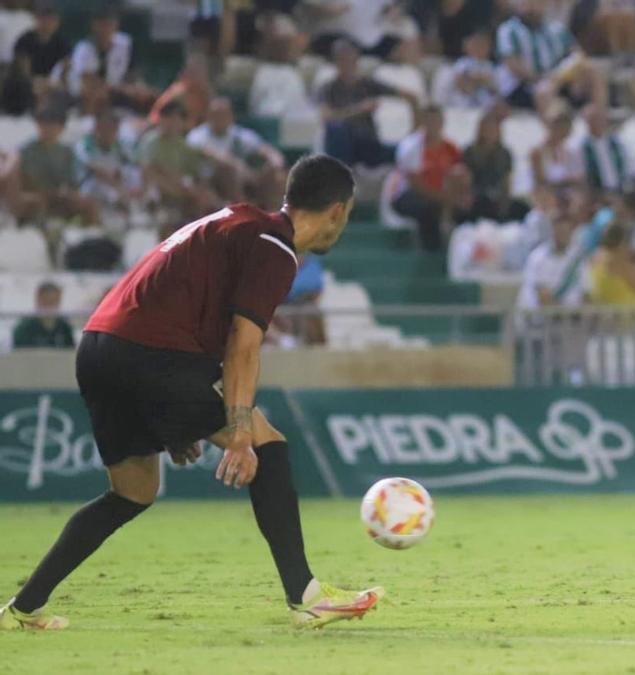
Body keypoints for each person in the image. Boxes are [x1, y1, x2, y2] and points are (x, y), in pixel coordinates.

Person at [0, 155, 384, 632]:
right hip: (152, 351)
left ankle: (22, 606)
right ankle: (306, 595)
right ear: (338, 211)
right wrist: (240, 433)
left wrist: (173, 419)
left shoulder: (236, 220)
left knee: (132, 492)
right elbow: (243, 345)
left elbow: (183, 297)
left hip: (100, 347)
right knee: (267, 440)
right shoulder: (275, 248)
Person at [318, 40, 419, 168]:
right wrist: (360, 110)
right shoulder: (328, 88)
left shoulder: (367, 84)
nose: (348, 64)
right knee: (336, 129)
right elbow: (327, 117)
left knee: (403, 152)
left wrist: (414, 130)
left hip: (368, 142)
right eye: (343, 60)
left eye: (351, 60)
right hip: (344, 142)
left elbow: (411, 98)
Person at [495, 0, 606, 115]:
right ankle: (551, 130)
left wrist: (567, 74)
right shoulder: (509, 30)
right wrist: (541, 78)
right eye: (528, 3)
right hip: (524, 86)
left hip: (557, 79)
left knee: (591, 71)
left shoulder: (556, 28)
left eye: (537, 3)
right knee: (544, 90)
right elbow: (512, 64)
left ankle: (599, 122)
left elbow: (576, 53)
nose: (533, 8)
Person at [390, 105, 469, 251]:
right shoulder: (411, 147)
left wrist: (459, 197)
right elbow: (415, 184)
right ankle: (431, 251)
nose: (433, 125)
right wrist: (445, 199)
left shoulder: (450, 147)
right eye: (429, 121)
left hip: (442, 194)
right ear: (423, 122)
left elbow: (460, 175)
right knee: (429, 209)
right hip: (408, 194)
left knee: (468, 207)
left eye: (436, 121)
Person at [187, 97, 287, 209]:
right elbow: (212, 155)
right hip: (211, 181)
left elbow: (264, 149)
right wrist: (239, 167)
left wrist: (275, 162)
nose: (220, 119)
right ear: (208, 116)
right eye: (216, 115)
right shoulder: (198, 136)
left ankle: (275, 214)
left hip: (245, 177)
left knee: (275, 175)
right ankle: (239, 210)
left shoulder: (238, 134)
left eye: (224, 115)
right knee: (228, 171)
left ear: (231, 116)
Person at [14, 104, 99, 225]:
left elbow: (71, 181)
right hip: (36, 195)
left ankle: (90, 236)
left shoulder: (66, 152)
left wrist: (68, 193)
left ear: (61, 127)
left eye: (52, 125)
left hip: (59, 195)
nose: (47, 129)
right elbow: (27, 180)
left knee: (87, 203)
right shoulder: (27, 151)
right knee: (39, 201)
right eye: (43, 124)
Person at [139, 99, 222, 221]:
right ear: (161, 119)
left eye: (177, 119)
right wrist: (179, 188)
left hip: (179, 188)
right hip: (157, 189)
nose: (172, 123)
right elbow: (148, 171)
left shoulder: (181, 144)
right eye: (169, 118)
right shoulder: (152, 141)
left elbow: (196, 163)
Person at [75, 107, 143, 217]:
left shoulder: (119, 145)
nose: (109, 133)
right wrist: (120, 189)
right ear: (97, 127)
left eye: (113, 129)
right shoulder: (85, 144)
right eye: (105, 128)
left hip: (115, 182)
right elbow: (96, 171)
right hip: (90, 184)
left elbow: (132, 163)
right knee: (109, 191)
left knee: (135, 174)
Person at [579, 103, 632, 195]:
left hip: (619, 190)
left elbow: (627, 167)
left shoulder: (616, 144)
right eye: (593, 120)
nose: (597, 123)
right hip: (597, 192)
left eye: (600, 119)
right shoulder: (582, 147)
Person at [11, 281, 75, 350]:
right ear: (38, 299)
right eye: (46, 301)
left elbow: (70, 353)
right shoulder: (23, 328)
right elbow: (19, 355)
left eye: (54, 301)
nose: (50, 306)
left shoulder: (64, 327)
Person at [531, 110, 584, 191]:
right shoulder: (537, 152)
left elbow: (578, 178)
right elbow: (540, 182)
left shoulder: (567, 152)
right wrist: (566, 181)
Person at [448, 30, 500, 108]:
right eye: (476, 45)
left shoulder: (491, 66)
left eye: (483, 45)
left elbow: (494, 87)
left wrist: (477, 79)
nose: (479, 48)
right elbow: (458, 82)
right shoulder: (462, 63)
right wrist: (479, 79)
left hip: (485, 106)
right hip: (463, 105)